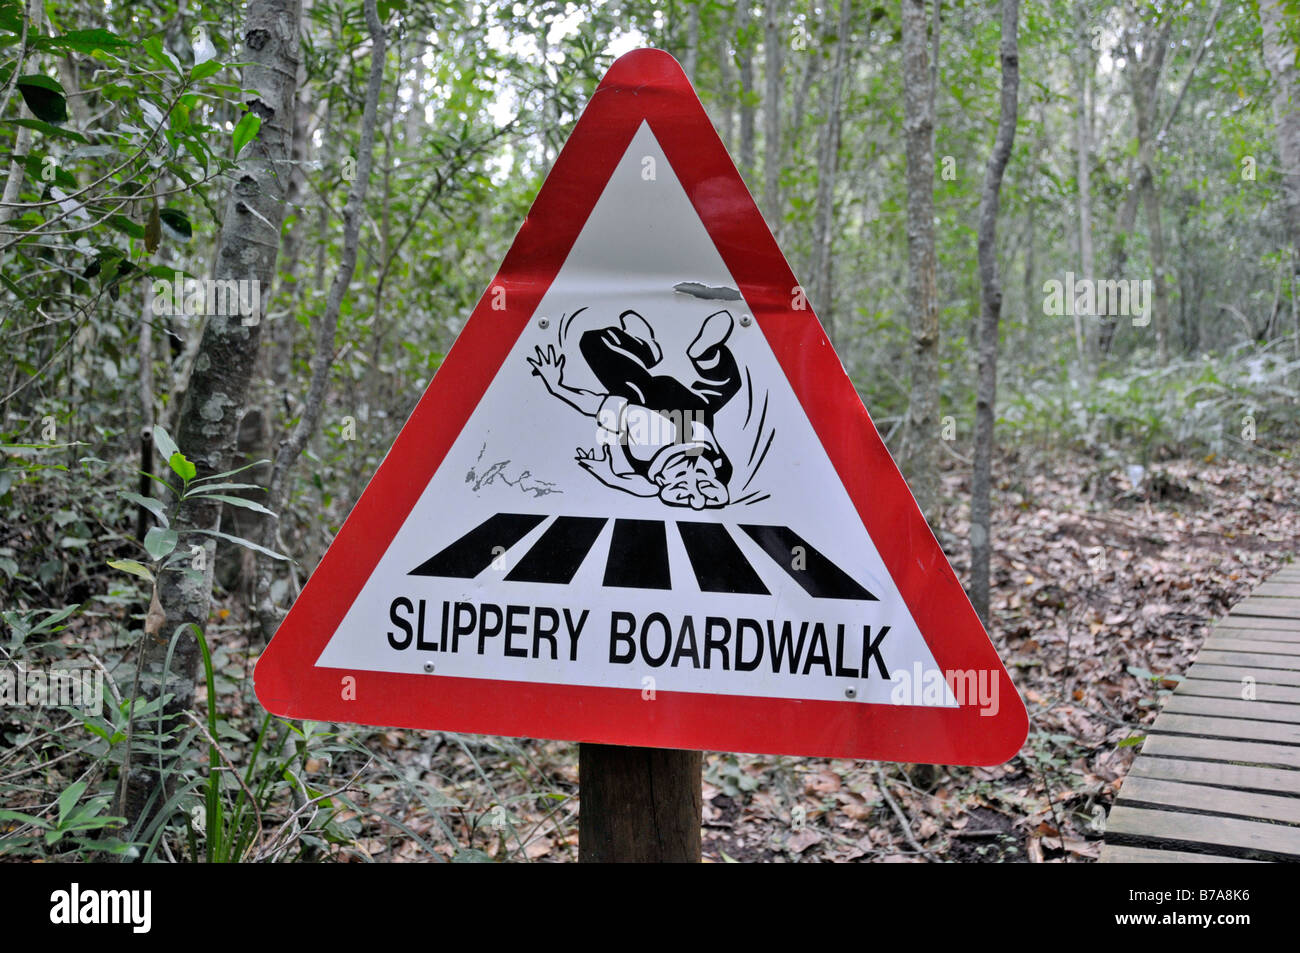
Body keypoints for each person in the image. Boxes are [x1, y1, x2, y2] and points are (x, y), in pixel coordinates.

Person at [528, 308, 741, 509]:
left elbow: (597, 406)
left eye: (684, 488)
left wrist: (556, 387)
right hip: (686, 414)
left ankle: (646, 348)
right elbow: (628, 482)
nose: (696, 500)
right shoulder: (719, 468)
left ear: (660, 479)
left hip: (655, 406)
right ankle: (702, 355)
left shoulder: (640, 448)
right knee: (721, 388)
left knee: (594, 343)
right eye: (705, 488)